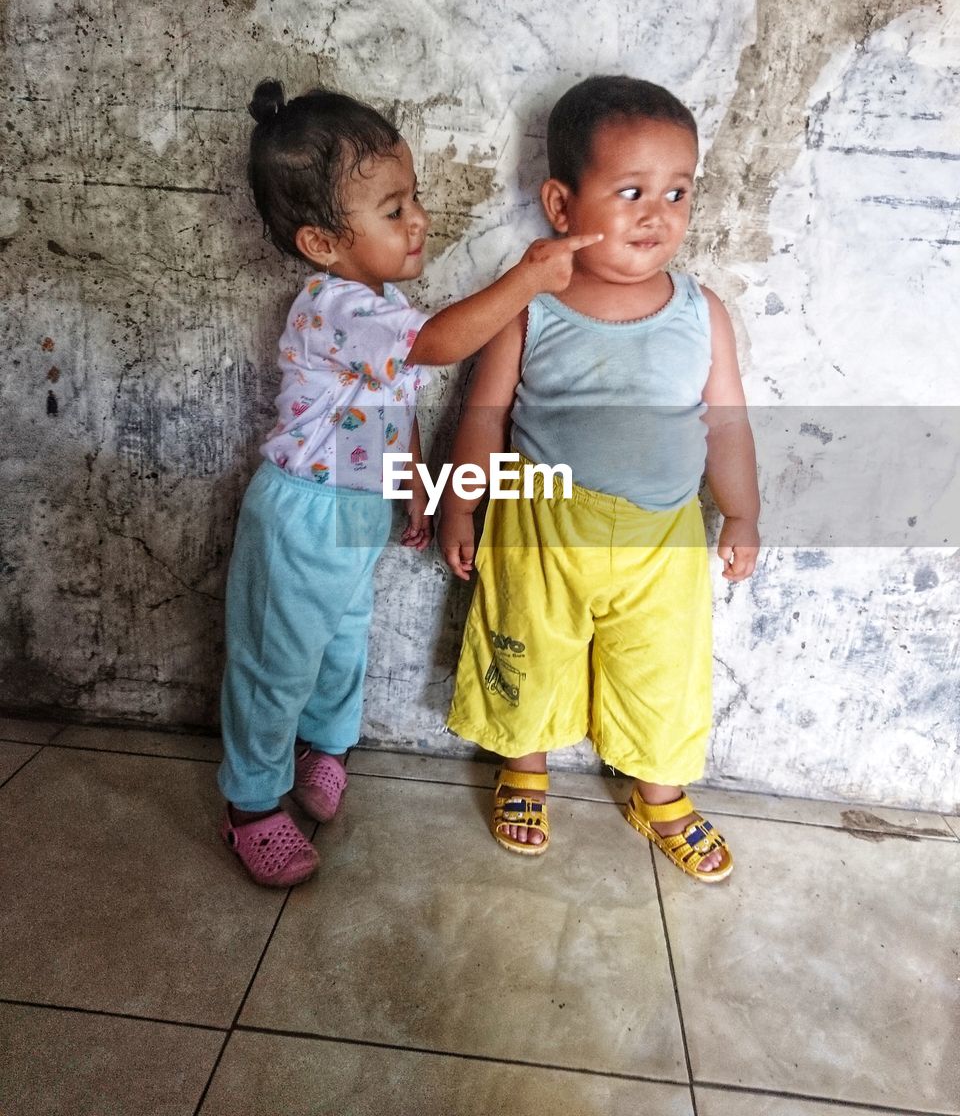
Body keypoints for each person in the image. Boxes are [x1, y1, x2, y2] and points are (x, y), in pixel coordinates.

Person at [219, 79, 601, 887]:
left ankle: (325, 749)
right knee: (276, 661)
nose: (419, 218)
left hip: (357, 511)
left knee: (341, 644)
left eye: (413, 197)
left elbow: (395, 401)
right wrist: (527, 280)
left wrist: (415, 486)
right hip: (304, 516)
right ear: (323, 242)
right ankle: (251, 804)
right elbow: (434, 348)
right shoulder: (335, 306)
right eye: (393, 209)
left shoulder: (379, 302)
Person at [440, 75, 760, 882]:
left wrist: (743, 514)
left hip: (664, 537)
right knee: (529, 648)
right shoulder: (531, 307)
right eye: (631, 191)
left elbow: (726, 423)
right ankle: (524, 765)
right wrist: (459, 507)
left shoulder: (701, 311)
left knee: (662, 668)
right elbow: (483, 416)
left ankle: (660, 793)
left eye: (678, 192)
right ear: (560, 203)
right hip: (542, 527)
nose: (659, 213)